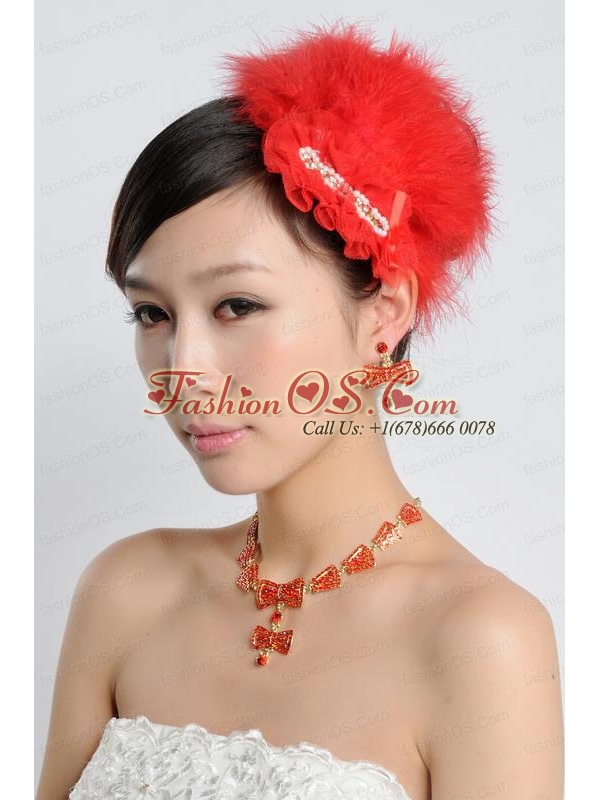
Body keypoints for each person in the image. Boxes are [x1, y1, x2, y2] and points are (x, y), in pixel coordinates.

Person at [36, 20, 564, 800]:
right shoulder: (126, 589)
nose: (183, 370)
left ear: (385, 312)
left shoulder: (479, 638)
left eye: (237, 305)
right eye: (151, 314)